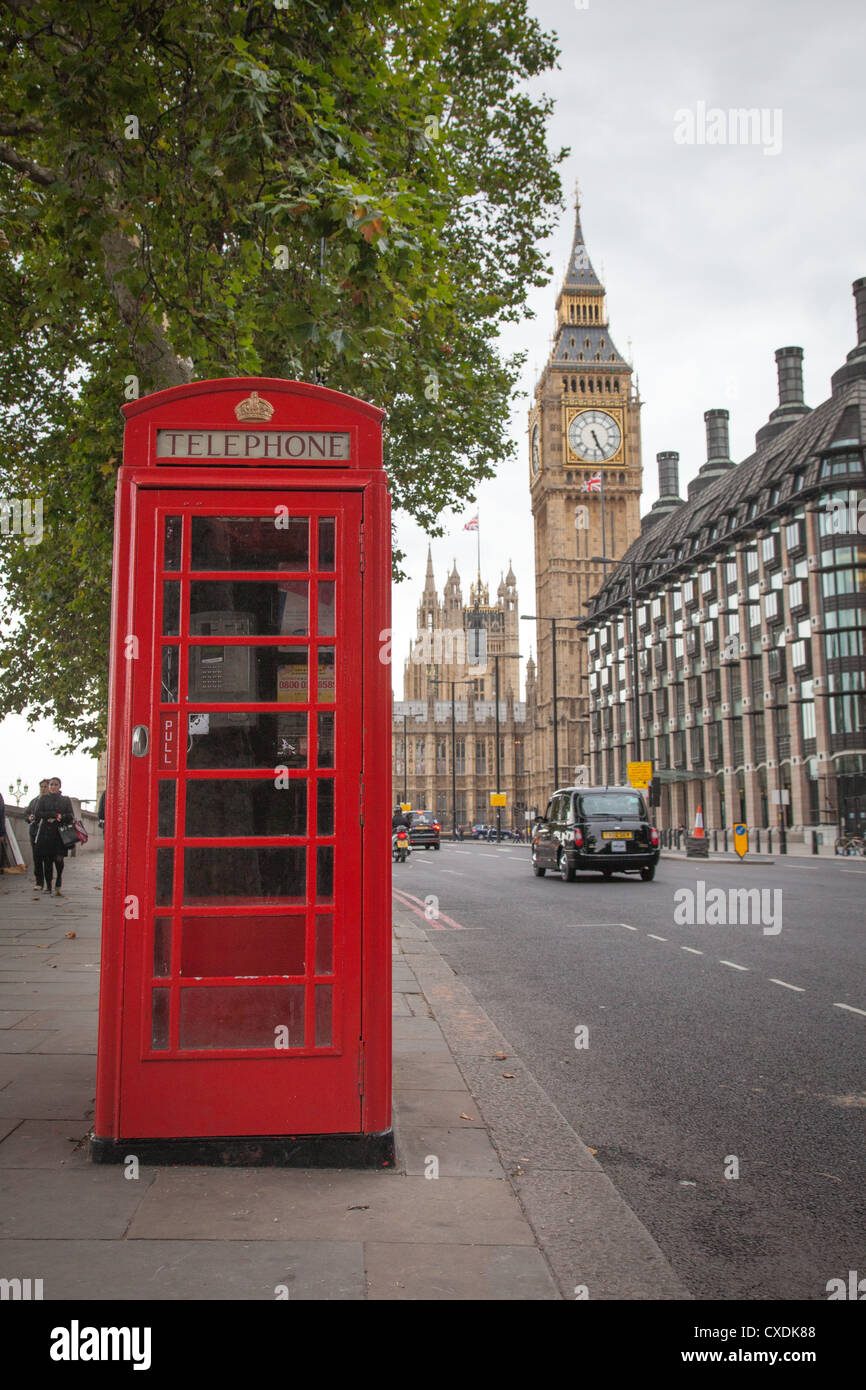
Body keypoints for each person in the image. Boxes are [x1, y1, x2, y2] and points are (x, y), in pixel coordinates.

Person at [32, 776, 75, 897]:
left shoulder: (65, 800)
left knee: (59, 860)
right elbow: (37, 813)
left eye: (55, 784)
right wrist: (51, 815)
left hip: (60, 834)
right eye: (51, 784)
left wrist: (59, 817)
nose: (53, 787)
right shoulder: (43, 799)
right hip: (46, 834)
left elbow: (70, 816)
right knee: (47, 861)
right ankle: (48, 885)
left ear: (60, 786)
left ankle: (59, 878)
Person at [27, 779, 50, 888]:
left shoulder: (52, 801)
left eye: (45, 786)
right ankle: (39, 882)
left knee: (48, 859)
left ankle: (48, 882)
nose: (43, 789)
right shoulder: (34, 801)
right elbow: (26, 813)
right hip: (35, 832)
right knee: (37, 858)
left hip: (48, 832)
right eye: (41, 787)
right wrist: (29, 817)